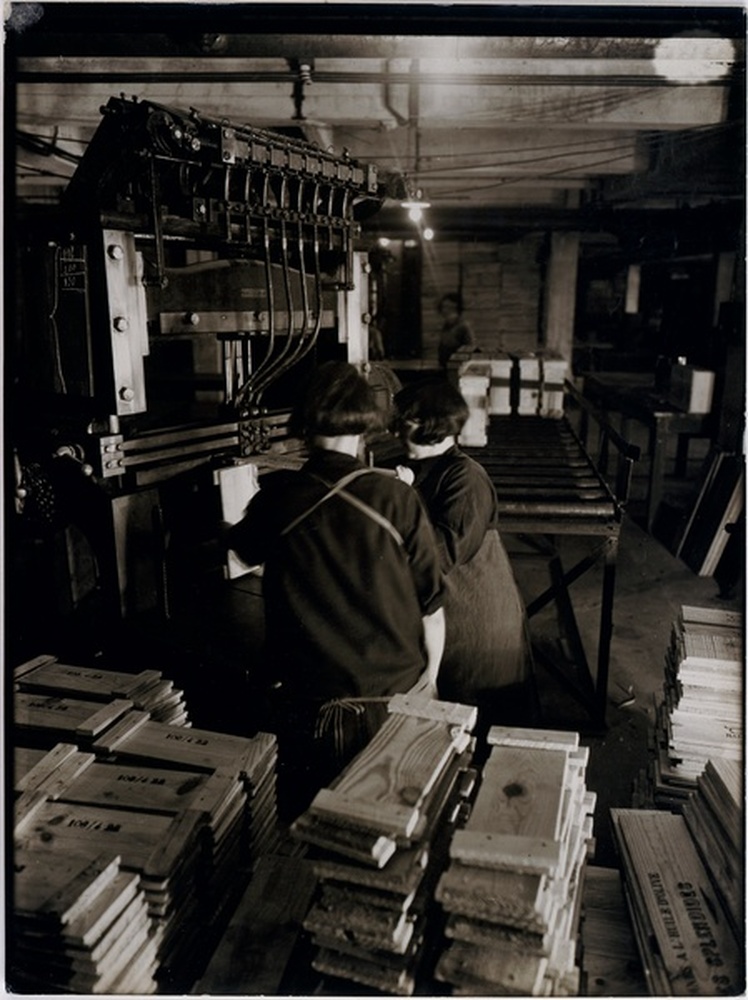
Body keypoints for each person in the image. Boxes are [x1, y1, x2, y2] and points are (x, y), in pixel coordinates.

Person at [227, 361, 445, 820]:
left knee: (309, 826)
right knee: (391, 830)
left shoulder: (277, 497)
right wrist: (431, 684)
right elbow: (432, 609)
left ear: (303, 425)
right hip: (393, 697)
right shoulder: (397, 498)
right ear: (364, 426)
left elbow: (239, 556)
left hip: (309, 707)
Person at [392, 379, 537, 733]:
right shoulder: (416, 468)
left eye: (404, 422)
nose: (394, 429)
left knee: (481, 734)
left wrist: (401, 501)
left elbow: (442, 554)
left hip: (476, 630)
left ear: (433, 425)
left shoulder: (466, 478)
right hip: (447, 621)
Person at [437, 292, 476, 369]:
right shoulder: (446, 326)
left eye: (447, 307)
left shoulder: (463, 327)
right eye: (443, 307)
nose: (444, 310)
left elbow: (470, 348)